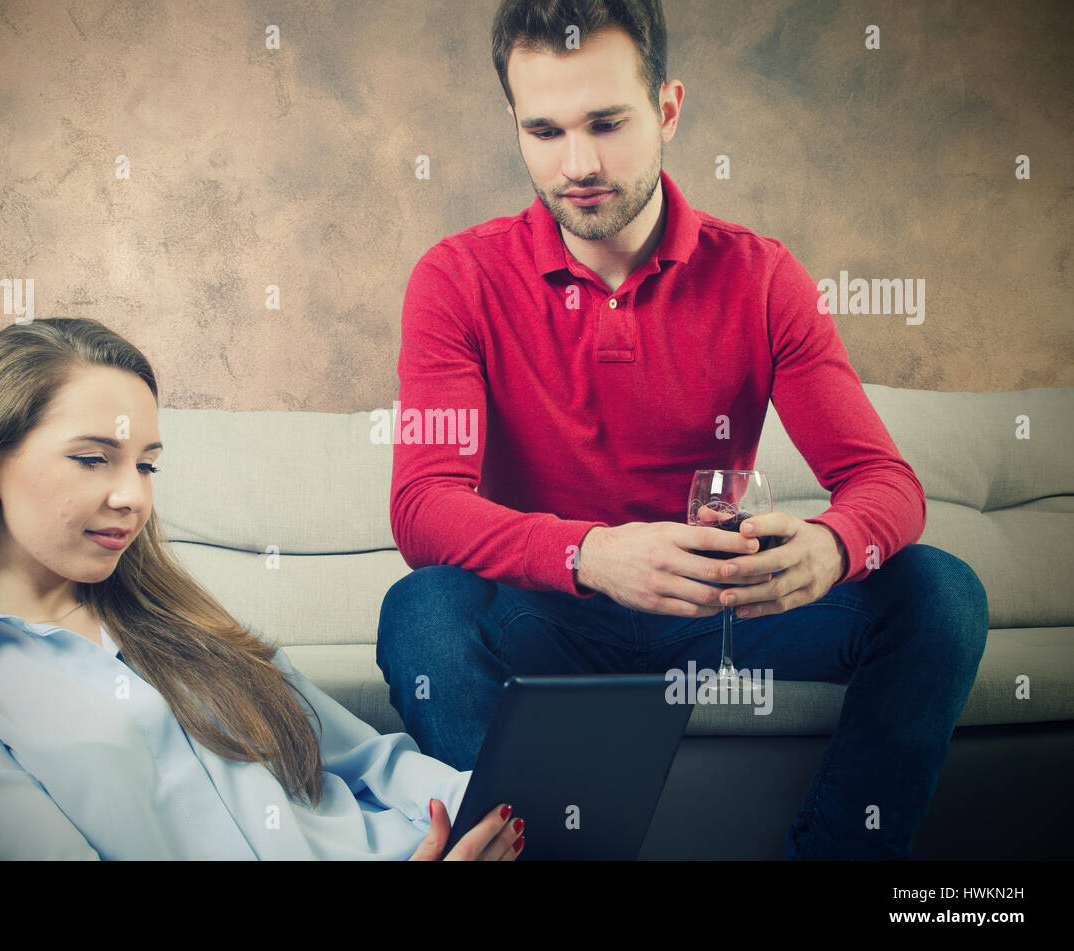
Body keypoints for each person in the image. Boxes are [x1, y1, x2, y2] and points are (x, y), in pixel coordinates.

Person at [376, 0, 988, 860]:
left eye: (607, 123)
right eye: (545, 130)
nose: (578, 164)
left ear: (666, 109)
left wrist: (835, 544)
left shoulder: (762, 275)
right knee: (422, 610)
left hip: (723, 614)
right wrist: (590, 554)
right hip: (555, 614)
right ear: (513, 126)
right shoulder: (456, 277)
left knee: (940, 591)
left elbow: (886, 483)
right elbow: (422, 507)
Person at [0, 318, 525, 860]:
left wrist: (492, 811)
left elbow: (367, 758)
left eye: (146, 466)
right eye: (94, 458)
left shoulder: (182, 616)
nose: (132, 497)